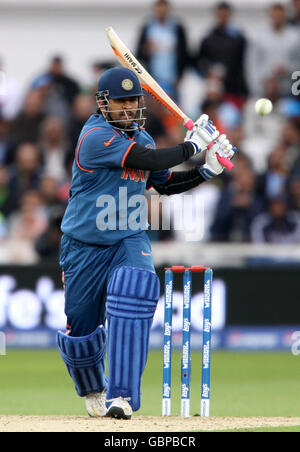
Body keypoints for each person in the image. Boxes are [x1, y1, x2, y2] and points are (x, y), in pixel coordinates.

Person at [57, 66, 236, 420]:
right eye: (120, 102)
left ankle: (122, 396)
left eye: (132, 101)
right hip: (84, 244)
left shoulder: (144, 138)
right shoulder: (94, 137)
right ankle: (94, 387)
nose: (128, 108)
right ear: (103, 104)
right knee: (81, 331)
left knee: (135, 288)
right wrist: (193, 146)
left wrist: (206, 170)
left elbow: (164, 182)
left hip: (128, 236)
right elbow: (148, 160)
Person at [194, 2, 248, 105]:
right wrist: (208, 73)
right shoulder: (208, 39)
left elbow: (244, 63)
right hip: (214, 89)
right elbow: (199, 61)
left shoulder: (239, 39)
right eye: (220, 15)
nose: (223, 18)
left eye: (225, 15)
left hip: (233, 88)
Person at [136, 0, 190, 102]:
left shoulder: (177, 28)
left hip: (172, 79)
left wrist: (180, 76)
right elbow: (139, 53)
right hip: (153, 79)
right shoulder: (148, 28)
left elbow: (185, 53)